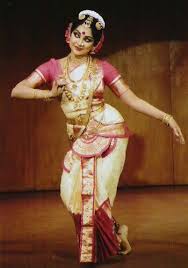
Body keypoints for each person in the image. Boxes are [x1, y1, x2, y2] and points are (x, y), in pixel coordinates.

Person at [11, 9, 185, 264]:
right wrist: (48, 94)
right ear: (69, 34)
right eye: (78, 35)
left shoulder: (103, 68)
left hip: (109, 133)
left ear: (95, 45)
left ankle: (94, 250)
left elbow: (131, 98)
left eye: (87, 39)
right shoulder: (53, 67)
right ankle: (116, 230)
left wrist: (166, 117)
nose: (80, 41)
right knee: (69, 192)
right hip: (80, 139)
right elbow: (18, 90)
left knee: (95, 193)